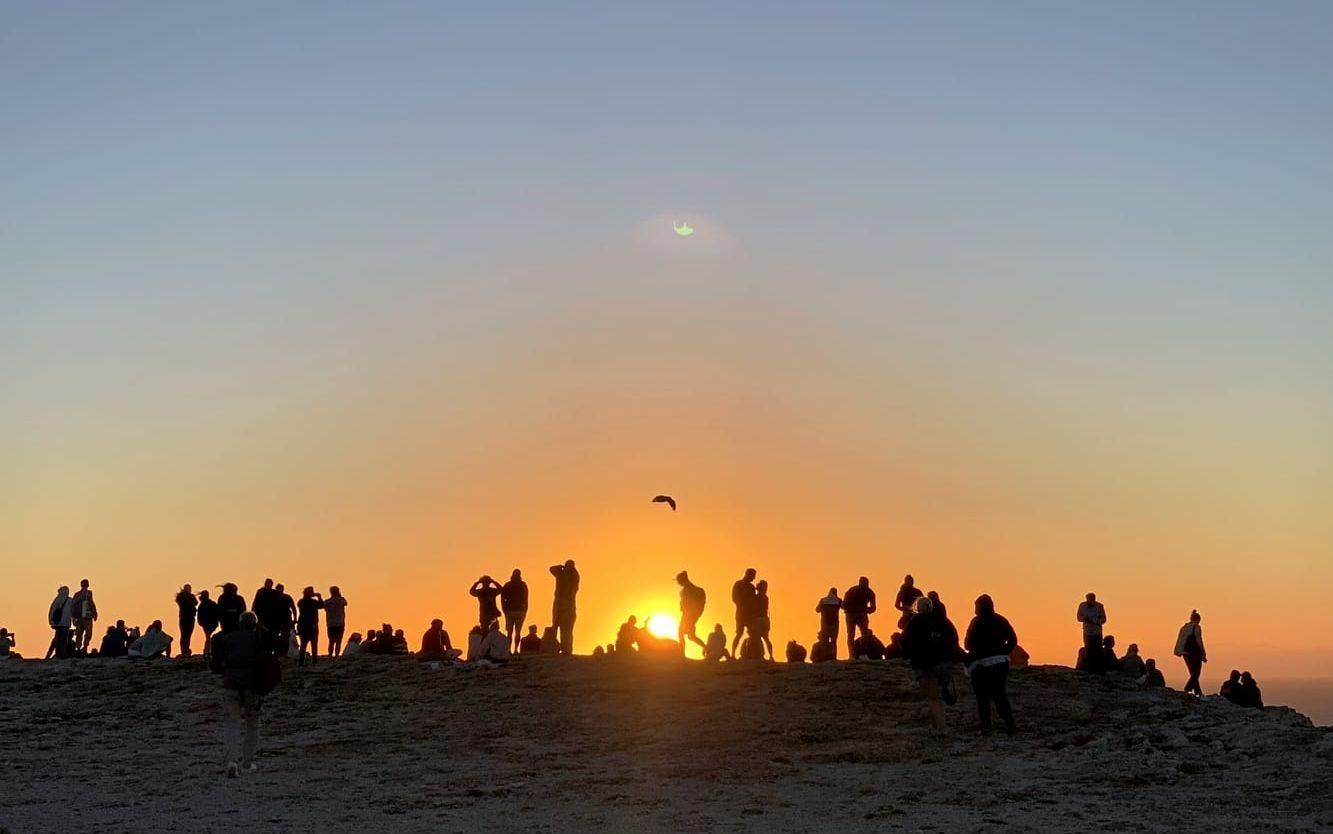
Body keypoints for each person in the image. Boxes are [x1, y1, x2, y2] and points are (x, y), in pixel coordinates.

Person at [211, 611, 269, 777]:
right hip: (252, 685)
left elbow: (217, 662)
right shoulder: (258, 638)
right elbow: (275, 647)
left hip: (231, 683)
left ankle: (231, 761)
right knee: (252, 724)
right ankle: (247, 763)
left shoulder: (228, 638)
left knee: (232, 723)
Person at [901, 596, 959, 732]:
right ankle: (935, 726)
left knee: (934, 698)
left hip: (924, 665)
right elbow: (954, 638)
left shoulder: (914, 622)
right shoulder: (943, 621)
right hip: (944, 664)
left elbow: (904, 642)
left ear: (917, 608)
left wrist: (909, 655)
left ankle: (941, 729)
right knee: (937, 695)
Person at [964, 594, 1017, 735]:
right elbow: (1013, 640)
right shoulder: (1001, 620)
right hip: (1000, 663)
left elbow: (967, 644)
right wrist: (1003, 652)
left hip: (981, 664)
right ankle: (1009, 723)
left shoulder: (976, 622)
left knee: (982, 697)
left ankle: (986, 727)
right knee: (1000, 694)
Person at [549, 560, 580, 654]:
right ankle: (557, 648)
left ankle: (567, 649)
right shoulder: (561, 575)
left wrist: (562, 567)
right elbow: (551, 569)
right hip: (559, 603)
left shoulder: (573, 577)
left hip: (568, 604)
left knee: (566, 629)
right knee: (556, 627)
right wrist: (561, 566)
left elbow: (552, 569)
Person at [1174, 609, 1207, 697]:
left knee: (1193, 673)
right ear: (1198, 620)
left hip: (1185, 653)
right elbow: (1199, 640)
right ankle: (1187, 688)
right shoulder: (1196, 627)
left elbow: (1180, 640)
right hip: (1195, 653)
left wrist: (1178, 651)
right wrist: (1203, 653)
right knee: (1196, 673)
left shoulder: (1184, 627)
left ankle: (1198, 692)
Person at [843, 576, 877, 659]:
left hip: (858, 614)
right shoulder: (853, 590)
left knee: (862, 634)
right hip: (853, 614)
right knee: (853, 634)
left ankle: (860, 654)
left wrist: (865, 610)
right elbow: (844, 604)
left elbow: (873, 608)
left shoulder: (869, 592)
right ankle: (853, 654)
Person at [676, 571, 707, 656]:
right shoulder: (684, 591)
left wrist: (694, 616)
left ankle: (682, 655)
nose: (679, 584)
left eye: (680, 582)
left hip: (689, 616)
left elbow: (700, 605)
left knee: (682, 633)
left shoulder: (696, 591)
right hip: (687, 615)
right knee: (691, 636)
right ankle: (705, 648)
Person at [1076, 592, 1107, 674]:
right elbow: (1079, 617)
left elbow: (1104, 619)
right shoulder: (1082, 606)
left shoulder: (1100, 606)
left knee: (1098, 650)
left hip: (1097, 631)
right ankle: (1088, 669)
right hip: (1087, 631)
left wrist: (1095, 621)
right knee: (1088, 650)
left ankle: (1098, 669)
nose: (1090, 601)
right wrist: (1085, 619)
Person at [730, 568, 758, 657]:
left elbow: (754, 601)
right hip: (741, 614)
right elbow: (734, 598)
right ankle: (733, 654)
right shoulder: (738, 584)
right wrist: (744, 604)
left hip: (750, 615)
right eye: (753, 576)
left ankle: (750, 654)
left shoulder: (751, 587)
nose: (753, 579)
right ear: (748, 574)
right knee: (739, 634)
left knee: (752, 634)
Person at [501, 570, 529, 653]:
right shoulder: (522, 585)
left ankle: (510, 650)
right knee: (516, 632)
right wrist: (525, 609)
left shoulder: (508, 585)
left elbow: (502, 598)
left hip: (512, 611)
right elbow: (526, 598)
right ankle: (514, 650)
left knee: (510, 632)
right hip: (518, 611)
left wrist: (504, 609)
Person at [296, 586, 324, 666]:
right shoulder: (312, 602)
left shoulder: (301, 602)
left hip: (303, 625)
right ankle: (314, 661)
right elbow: (321, 605)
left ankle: (301, 662)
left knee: (303, 645)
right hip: (311, 625)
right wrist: (319, 597)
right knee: (313, 644)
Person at [70, 579, 98, 653]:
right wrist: (95, 612)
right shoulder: (88, 593)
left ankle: (78, 648)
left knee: (79, 633)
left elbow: (72, 606)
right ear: (88, 584)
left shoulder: (76, 594)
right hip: (87, 616)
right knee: (88, 633)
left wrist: (73, 617)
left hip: (78, 617)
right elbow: (91, 602)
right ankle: (85, 647)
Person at [47, 586, 74, 659]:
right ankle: (62, 653)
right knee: (64, 639)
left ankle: (58, 653)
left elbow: (52, 611)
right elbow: (72, 612)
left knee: (57, 639)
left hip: (58, 623)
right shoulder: (70, 600)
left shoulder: (57, 599)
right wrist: (74, 621)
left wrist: (51, 621)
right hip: (66, 623)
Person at [815, 587, 841, 658]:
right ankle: (834, 657)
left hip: (825, 623)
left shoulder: (823, 600)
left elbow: (817, 610)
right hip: (835, 623)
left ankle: (824, 657)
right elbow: (843, 607)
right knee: (834, 642)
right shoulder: (838, 601)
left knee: (825, 641)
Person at [752, 579, 774, 660]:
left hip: (758, 619)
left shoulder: (758, 597)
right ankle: (770, 656)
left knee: (757, 639)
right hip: (765, 619)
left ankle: (760, 655)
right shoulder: (765, 597)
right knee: (766, 638)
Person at [323, 586, 348, 658]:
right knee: (338, 641)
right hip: (340, 623)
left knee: (331, 641)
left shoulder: (327, 602)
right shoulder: (341, 600)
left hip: (330, 623)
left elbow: (323, 606)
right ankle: (336, 655)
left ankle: (330, 654)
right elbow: (345, 603)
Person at [197, 589, 221, 658]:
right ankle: (207, 651)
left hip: (207, 624)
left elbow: (199, 616)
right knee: (208, 637)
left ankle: (207, 651)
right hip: (212, 623)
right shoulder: (212, 603)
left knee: (208, 637)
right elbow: (217, 613)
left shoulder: (202, 605)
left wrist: (201, 623)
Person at [175, 585, 198, 657]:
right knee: (185, 635)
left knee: (186, 635)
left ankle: (185, 650)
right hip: (187, 617)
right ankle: (185, 650)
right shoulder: (183, 597)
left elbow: (195, 603)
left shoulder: (181, 597)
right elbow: (195, 603)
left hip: (188, 617)